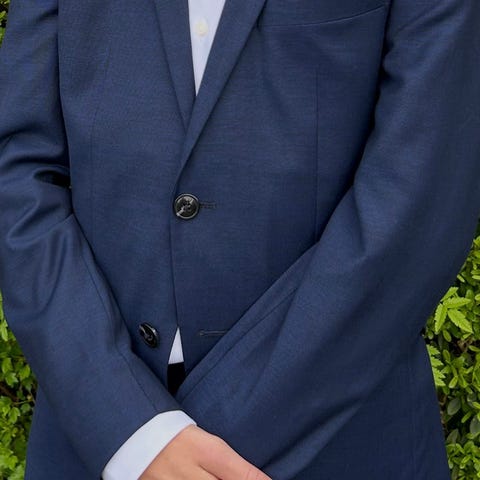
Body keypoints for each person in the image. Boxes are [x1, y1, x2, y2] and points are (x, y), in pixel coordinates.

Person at [0, 0, 479, 479]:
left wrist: (174, 446)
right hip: (96, 443)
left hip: (339, 442)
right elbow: (19, 170)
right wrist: (128, 430)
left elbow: (423, 192)